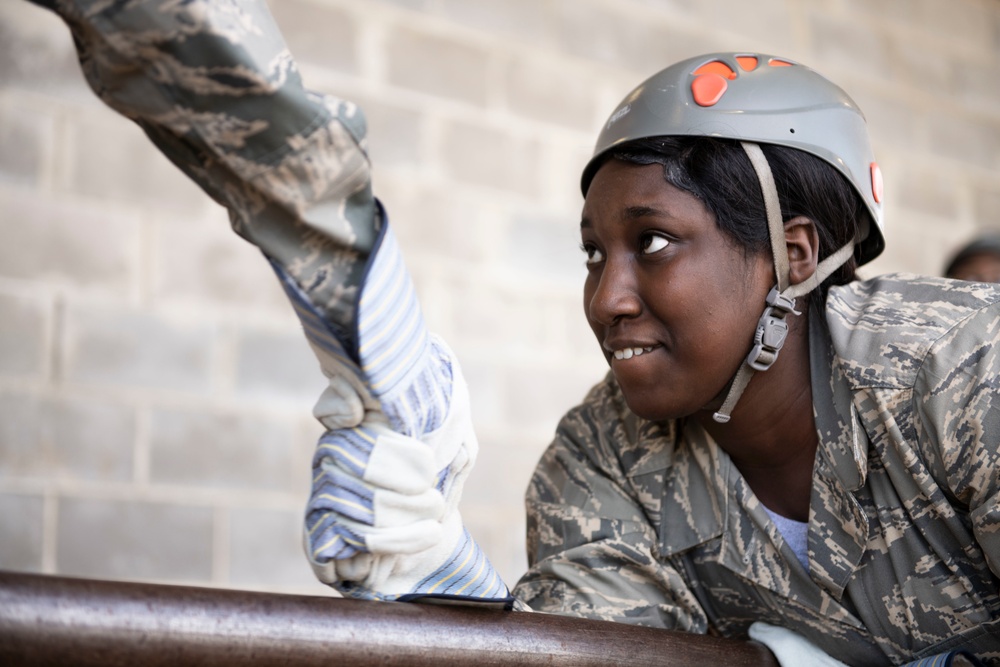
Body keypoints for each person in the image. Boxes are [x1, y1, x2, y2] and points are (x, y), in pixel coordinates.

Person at [27, 1, 1000, 665]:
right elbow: (591, 650)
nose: (606, 297)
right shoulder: (606, 457)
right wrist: (436, 588)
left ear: (793, 254)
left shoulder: (962, 370)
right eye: (592, 254)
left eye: (652, 242)